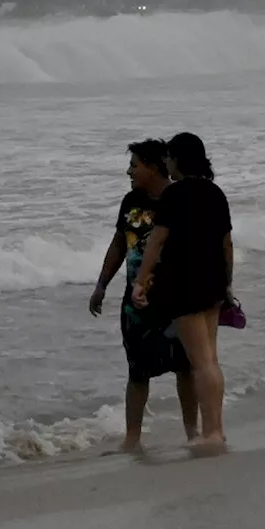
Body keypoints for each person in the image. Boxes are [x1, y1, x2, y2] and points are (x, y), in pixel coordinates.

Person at [89, 139, 198, 452]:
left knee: (185, 367)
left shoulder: (178, 198)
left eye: (134, 165)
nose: (129, 171)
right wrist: (101, 284)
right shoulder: (131, 200)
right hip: (135, 302)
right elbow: (119, 244)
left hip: (176, 298)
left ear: (152, 166)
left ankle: (193, 433)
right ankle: (132, 440)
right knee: (137, 370)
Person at [132, 132, 232, 453]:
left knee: (201, 363)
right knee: (210, 360)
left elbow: (157, 241)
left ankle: (212, 432)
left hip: (185, 286)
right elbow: (226, 244)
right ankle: (215, 429)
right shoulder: (215, 193)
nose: (167, 163)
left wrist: (141, 280)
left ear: (178, 159)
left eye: (170, 158)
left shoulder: (174, 195)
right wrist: (227, 283)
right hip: (214, 283)